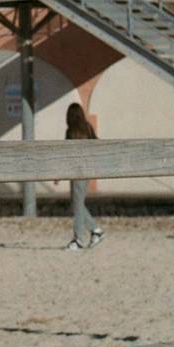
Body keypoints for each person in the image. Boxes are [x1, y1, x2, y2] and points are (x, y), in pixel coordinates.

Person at [64, 101, 104, 251]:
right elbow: (96, 144)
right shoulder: (88, 128)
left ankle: (81, 238)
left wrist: (59, 174)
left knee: (77, 205)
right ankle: (94, 231)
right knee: (77, 204)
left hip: (76, 173)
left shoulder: (70, 132)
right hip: (86, 172)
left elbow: (66, 155)